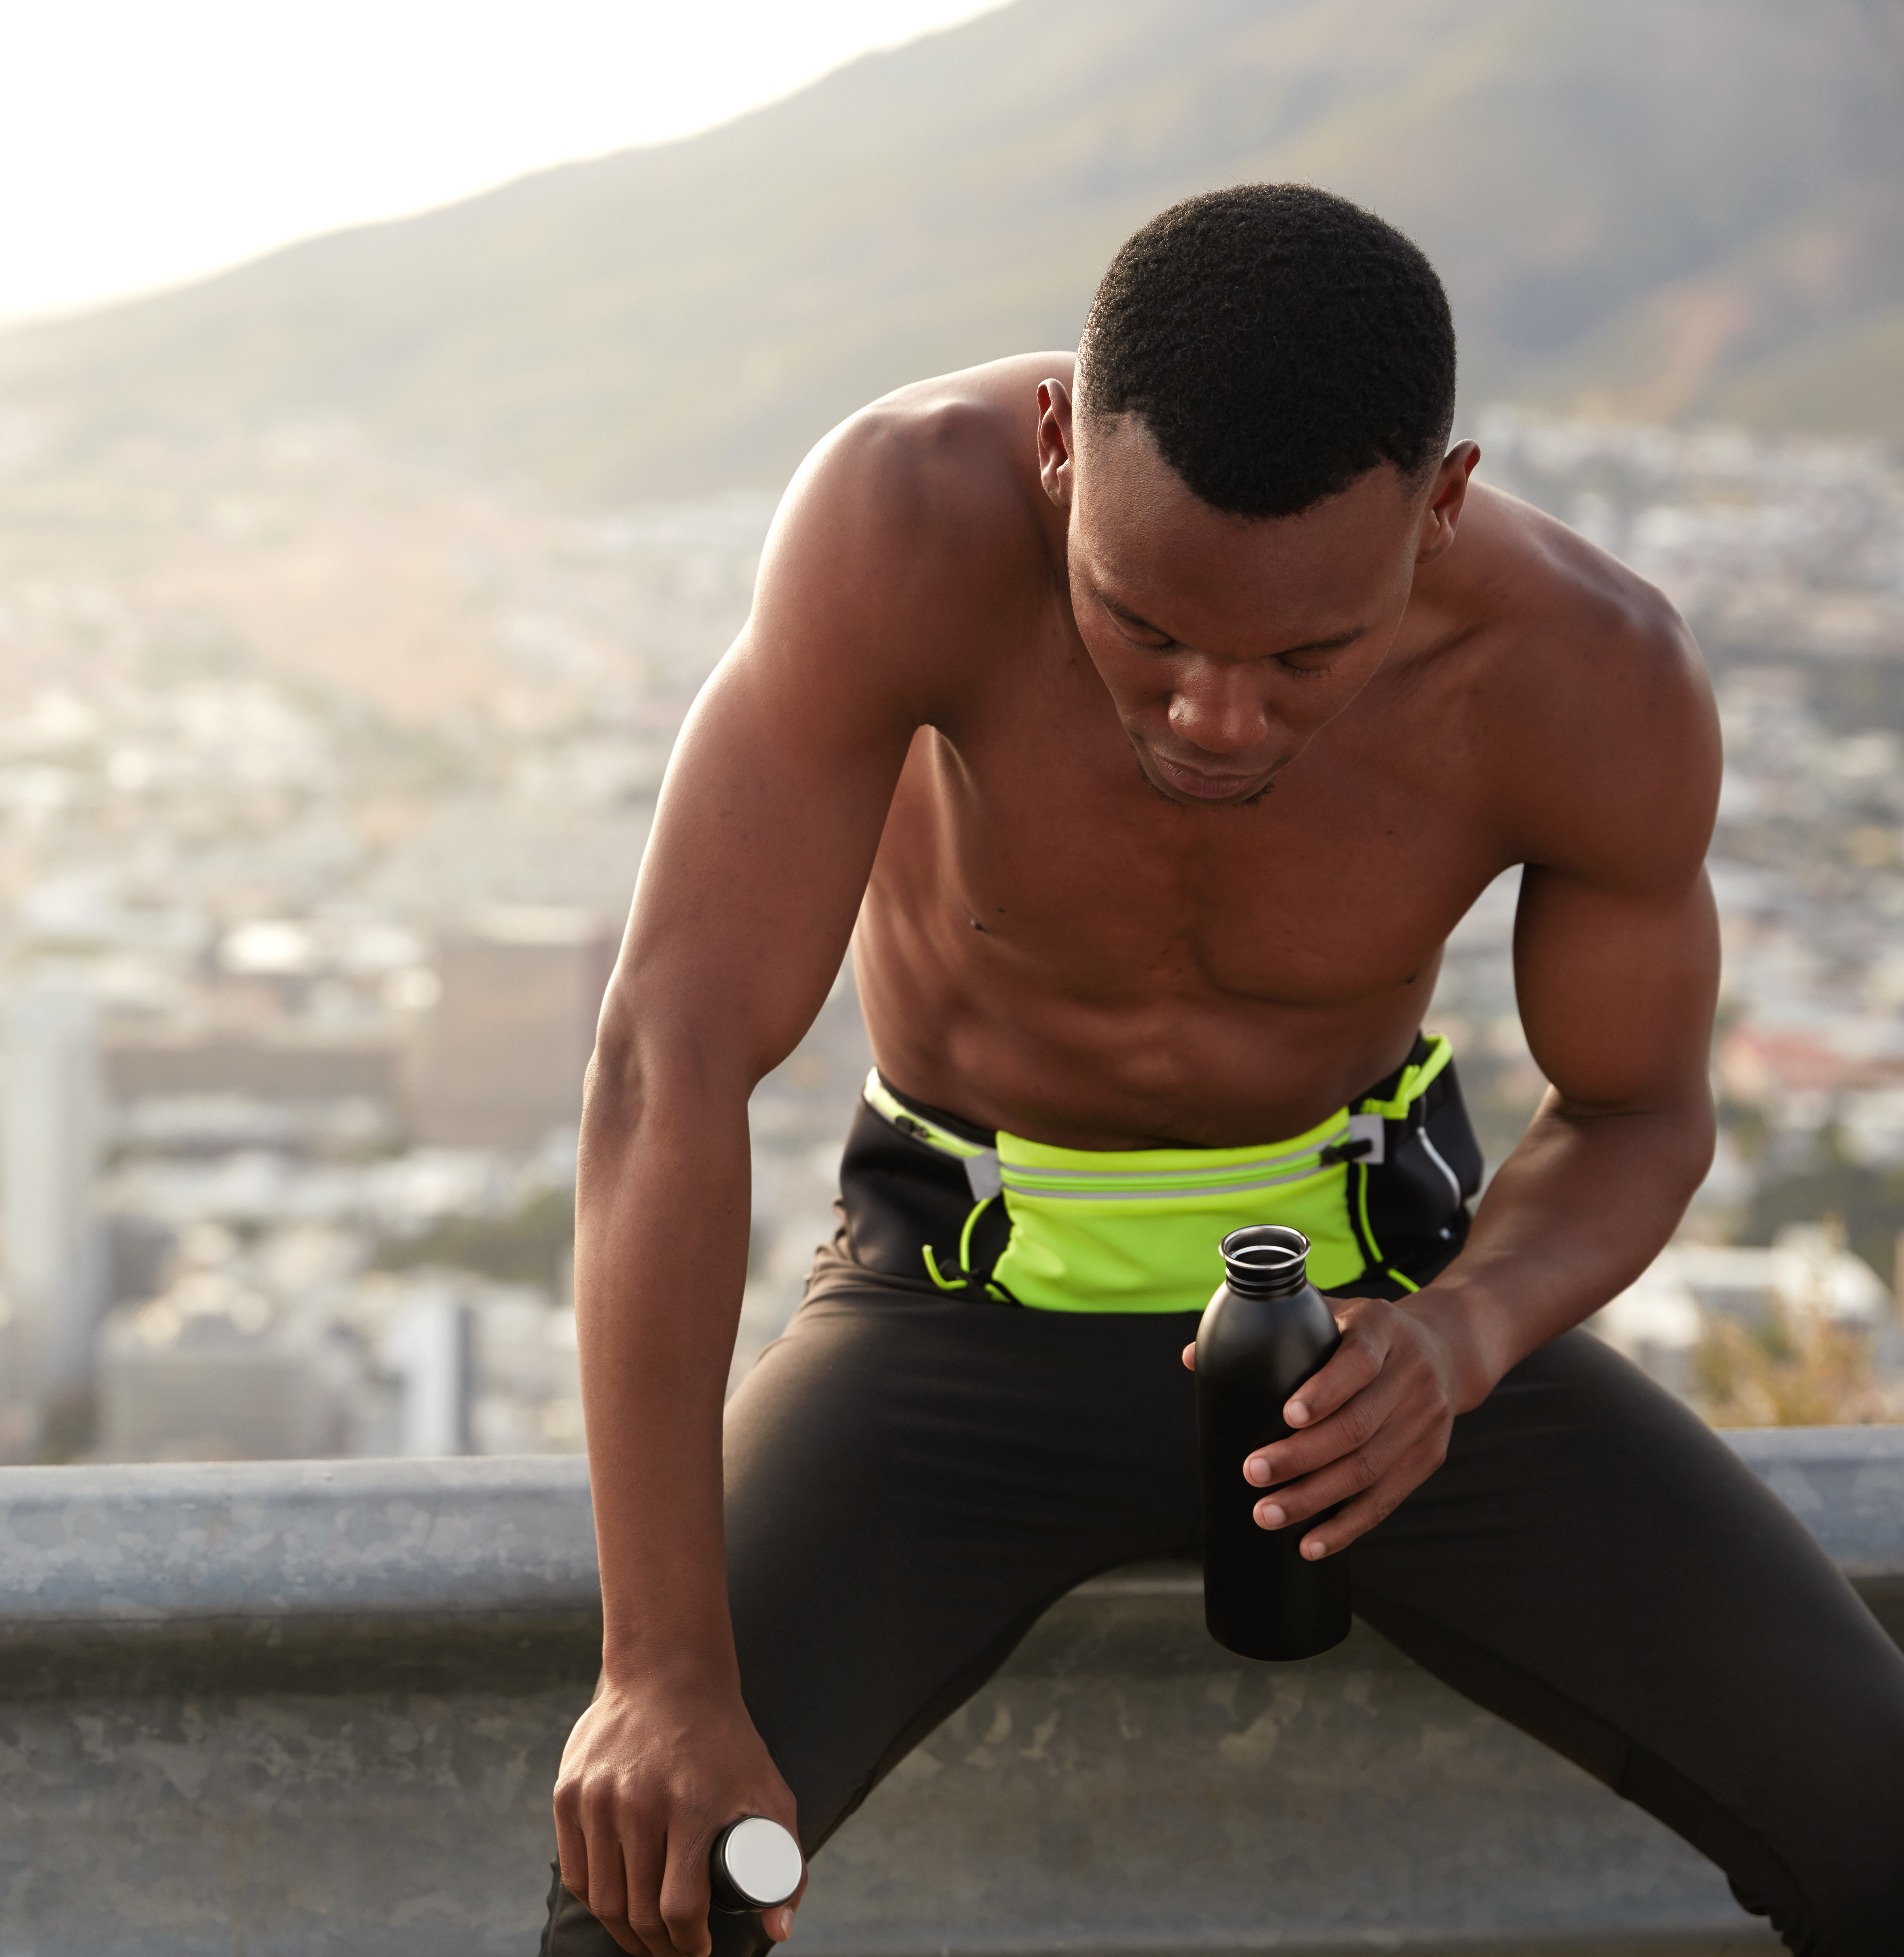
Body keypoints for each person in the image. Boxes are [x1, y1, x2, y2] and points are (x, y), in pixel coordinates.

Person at [542, 184, 1904, 1957]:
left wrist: (1460, 1339)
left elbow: (1641, 1112)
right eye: (1147, 626)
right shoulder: (901, 518)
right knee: (643, 1904)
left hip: (1380, 1339)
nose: (1216, 717)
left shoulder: (1592, 673)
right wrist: (654, 1672)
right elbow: (670, 1060)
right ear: (1056, 452)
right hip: (950, 1317)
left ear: (1443, 509)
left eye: (1302, 657)